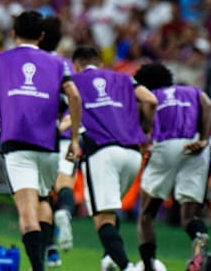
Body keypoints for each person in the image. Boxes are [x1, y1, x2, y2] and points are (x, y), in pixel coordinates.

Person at [0, 11, 82, 271]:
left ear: (13, 34)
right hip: (48, 145)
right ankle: (48, 253)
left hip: (17, 144)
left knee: (27, 213)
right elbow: (75, 98)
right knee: (44, 200)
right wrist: (75, 138)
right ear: (42, 35)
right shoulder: (59, 64)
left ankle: (38, 267)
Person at [70, 46, 157, 271]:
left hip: (102, 152)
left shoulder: (75, 80)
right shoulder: (123, 79)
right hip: (132, 154)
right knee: (110, 208)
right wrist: (145, 131)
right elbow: (150, 100)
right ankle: (108, 258)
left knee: (102, 217)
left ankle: (127, 267)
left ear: (76, 64)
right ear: (100, 63)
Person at [133, 63, 211, 271]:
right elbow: (209, 106)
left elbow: (145, 124)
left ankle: (148, 265)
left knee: (147, 214)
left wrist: (144, 139)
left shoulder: (150, 97)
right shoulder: (193, 91)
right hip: (197, 146)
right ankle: (198, 241)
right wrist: (204, 139)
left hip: (165, 143)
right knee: (190, 216)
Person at [38, 16, 77, 265]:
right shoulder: (64, 65)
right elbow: (73, 99)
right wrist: (68, 128)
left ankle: (49, 248)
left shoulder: (29, 62)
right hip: (62, 135)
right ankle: (65, 210)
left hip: (36, 136)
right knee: (64, 184)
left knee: (40, 195)